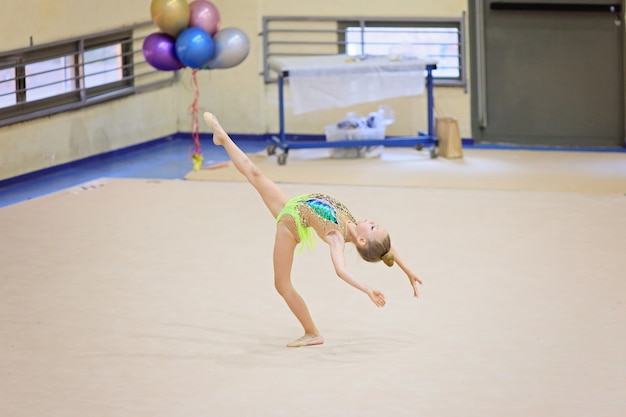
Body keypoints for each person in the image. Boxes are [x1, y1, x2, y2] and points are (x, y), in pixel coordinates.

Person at [203, 112, 422, 348]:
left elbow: (341, 270)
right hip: (293, 208)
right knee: (254, 174)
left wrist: (367, 289)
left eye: (373, 227)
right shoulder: (354, 224)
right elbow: (387, 246)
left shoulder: (336, 237)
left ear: (360, 240)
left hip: (290, 226)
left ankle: (312, 333)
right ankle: (222, 137)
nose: (373, 222)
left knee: (282, 285)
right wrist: (407, 271)